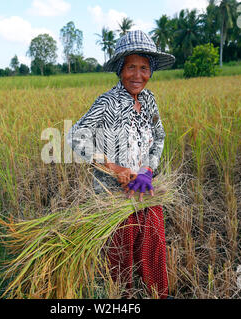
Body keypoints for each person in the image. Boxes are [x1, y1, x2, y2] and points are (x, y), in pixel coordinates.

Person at [66, 30, 175, 299]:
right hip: (112, 198)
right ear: (120, 69)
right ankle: (120, 298)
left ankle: (156, 294)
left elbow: (159, 136)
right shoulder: (107, 102)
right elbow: (74, 136)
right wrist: (115, 168)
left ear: (151, 71)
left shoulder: (149, 100)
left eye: (144, 68)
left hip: (144, 191)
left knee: (152, 246)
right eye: (131, 68)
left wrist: (149, 169)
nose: (138, 75)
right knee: (119, 256)